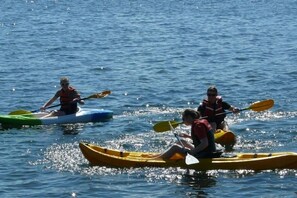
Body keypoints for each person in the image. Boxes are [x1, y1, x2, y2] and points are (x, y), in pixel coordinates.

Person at [150, 109, 217, 160]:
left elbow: (205, 143)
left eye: (183, 118)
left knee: (175, 147)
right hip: (207, 151)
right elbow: (202, 138)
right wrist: (187, 136)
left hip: (205, 154)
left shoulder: (198, 126)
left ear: (188, 117)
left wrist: (192, 152)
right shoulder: (201, 121)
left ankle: (157, 159)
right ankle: (160, 155)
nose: (182, 120)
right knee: (181, 141)